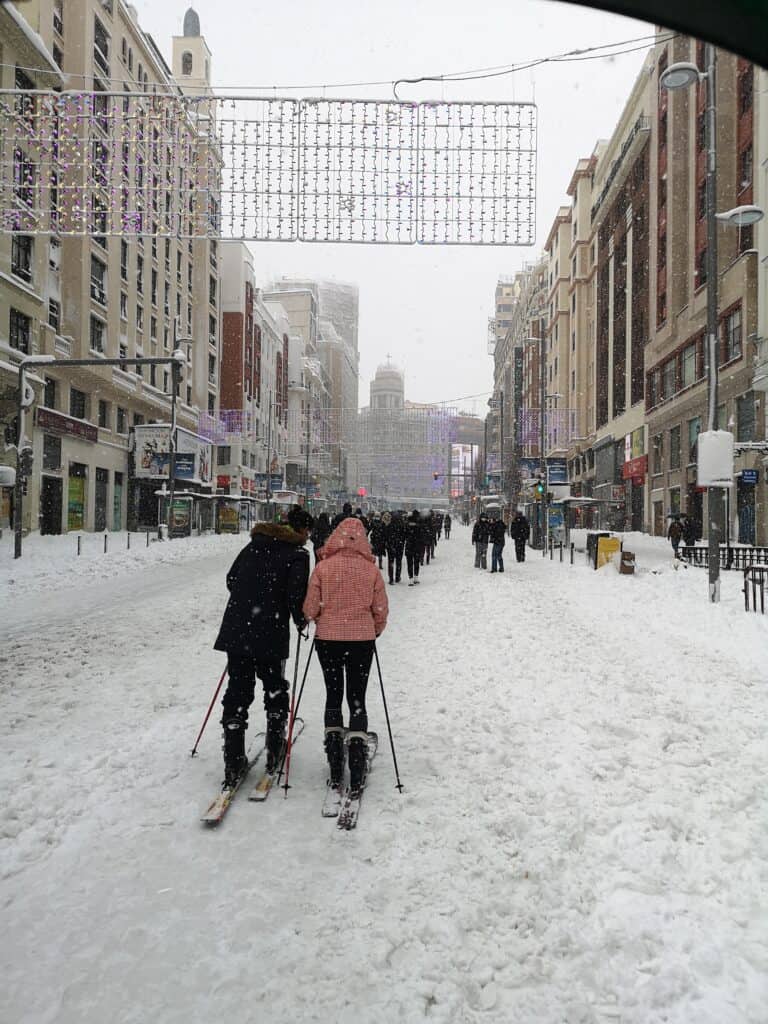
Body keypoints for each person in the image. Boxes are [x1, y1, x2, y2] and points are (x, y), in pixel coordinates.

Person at [213, 505, 313, 786]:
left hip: (238, 629)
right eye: (308, 532)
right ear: (301, 531)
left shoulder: (253, 546)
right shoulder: (297, 554)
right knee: (274, 687)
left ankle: (232, 760)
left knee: (237, 691)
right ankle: (274, 748)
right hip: (271, 630)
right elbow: (296, 596)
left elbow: (232, 579)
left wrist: (250, 598)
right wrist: (300, 620)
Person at [302, 517, 389, 794]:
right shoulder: (370, 571)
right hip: (362, 640)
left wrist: (321, 619)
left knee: (333, 693)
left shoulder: (323, 568)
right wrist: (373, 630)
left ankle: (335, 758)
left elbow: (310, 608)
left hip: (328, 640)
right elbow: (381, 610)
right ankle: (357, 756)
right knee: (357, 697)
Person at [405, 509, 424, 585]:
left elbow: (405, 535)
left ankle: (410, 579)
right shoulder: (419, 524)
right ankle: (416, 577)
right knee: (416, 562)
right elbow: (422, 536)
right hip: (417, 546)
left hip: (409, 546)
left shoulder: (407, 524)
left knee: (409, 563)